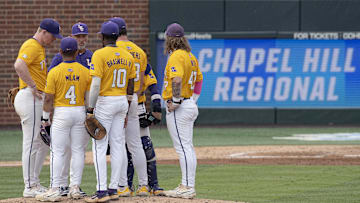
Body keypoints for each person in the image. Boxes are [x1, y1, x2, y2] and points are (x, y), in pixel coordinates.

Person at [84, 21, 136, 203]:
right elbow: (131, 84)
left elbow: (96, 84)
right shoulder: (127, 55)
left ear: (103, 37)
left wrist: (90, 109)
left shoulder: (99, 54)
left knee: (99, 145)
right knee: (118, 144)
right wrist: (128, 106)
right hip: (122, 100)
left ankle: (101, 191)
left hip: (106, 101)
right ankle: (114, 189)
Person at [35, 37, 91, 202]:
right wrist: (89, 113)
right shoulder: (84, 71)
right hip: (79, 111)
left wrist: (45, 118)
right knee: (78, 151)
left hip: (62, 112)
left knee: (57, 151)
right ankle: (75, 187)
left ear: (60, 52)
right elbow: (88, 97)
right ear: (75, 52)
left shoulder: (55, 71)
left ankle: (55, 188)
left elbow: (48, 99)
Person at [13, 18, 62, 198]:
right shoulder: (32, 45)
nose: (54, 40)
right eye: (53, 36)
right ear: (43, 32)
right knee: (32, 141)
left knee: (42, 142)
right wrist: (32, 85)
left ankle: (34, 182)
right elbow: (19, 65)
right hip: (30, 97)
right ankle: (29, 185)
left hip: (36, 99)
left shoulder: (39, 48)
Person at [48, 22, 92, 197]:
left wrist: (46, 116)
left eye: (84, 36)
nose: (81, 39)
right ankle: (68, 185)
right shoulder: (61, 60)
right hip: (79, 109)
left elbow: (49, 89)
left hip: (65, 110)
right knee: (72, 150)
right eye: (78, 36)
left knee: (63, 150)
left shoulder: (91, 56)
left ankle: (60, 187)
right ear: (73, 39)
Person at [161, 23, 203, 199]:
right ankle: (187, 185)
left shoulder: (177, 56)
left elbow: (176, 80)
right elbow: (200, 80)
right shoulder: (190, 56)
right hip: (188, 104)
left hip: (180, 106)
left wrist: (178, 101)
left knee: (183, 148)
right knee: (187, 147)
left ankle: (187, 186)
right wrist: (192, 100)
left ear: (170, 39)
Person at [109, 17, 150, 197]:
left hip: (116, 99)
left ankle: (124, 186)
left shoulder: (111, 50)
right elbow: (140, 84)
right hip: (134, 99)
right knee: (135, 145)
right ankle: (143, 186)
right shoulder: (139, 51)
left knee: (118, 143)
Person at [130, 63, 164, 196]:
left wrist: (155, 105)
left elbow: (153, 84)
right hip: (122, 106)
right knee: (126, 147)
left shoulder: (139, 58)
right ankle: (127, 185)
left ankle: (152, 185)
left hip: (136, 105)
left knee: (145, 145)